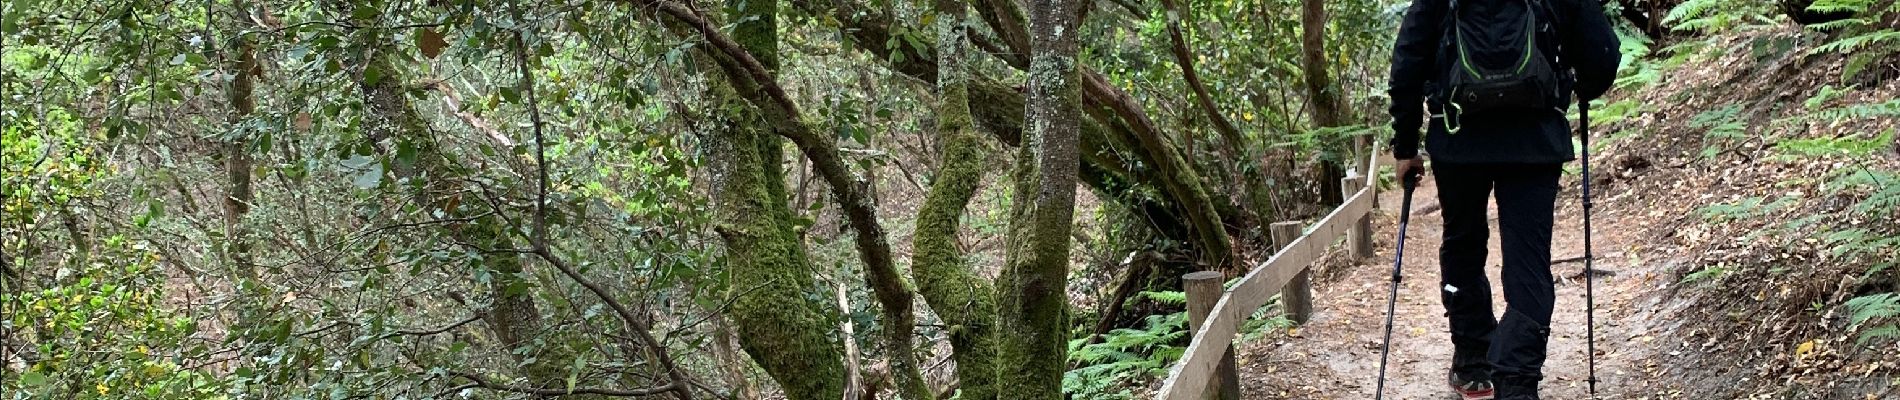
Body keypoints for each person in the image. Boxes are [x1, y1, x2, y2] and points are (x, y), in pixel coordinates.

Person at [1385, 0, 1620, 398]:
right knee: (1528, 261)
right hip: (1535, 140)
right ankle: (1517, 380)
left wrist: (1406, 146)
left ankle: (1474, 363)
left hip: (1458, 140)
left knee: (1463, 243)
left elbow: (1407, 59)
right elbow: (1603, 54)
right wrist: (1573, 85)